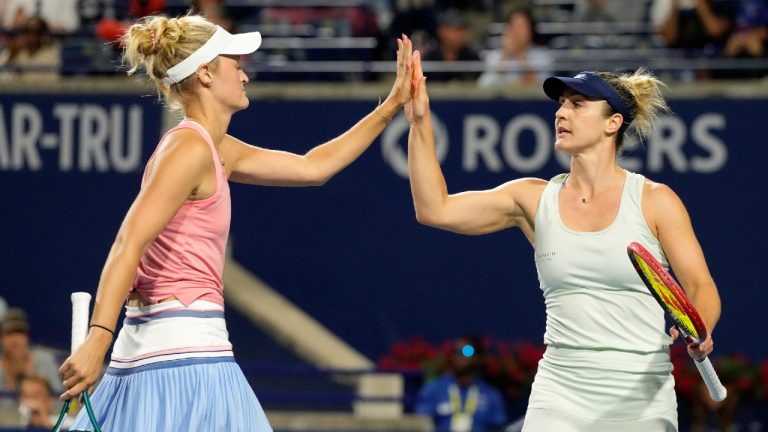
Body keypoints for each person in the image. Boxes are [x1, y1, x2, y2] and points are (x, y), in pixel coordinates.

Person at [56, 13, 414, 431]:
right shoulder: (188, 149)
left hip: (184, 353)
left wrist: (390, 106)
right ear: (206, 74)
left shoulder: (214, 148)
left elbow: (313, 167)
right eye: (236, 65)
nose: (244, 76)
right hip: (180, 362)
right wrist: (98, 337)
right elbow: (128, 242)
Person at [405, 52, 721, 431]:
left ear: (613, 123)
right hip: (558, 397)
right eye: (560, 105)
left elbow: (701, 286)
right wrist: (420, 120)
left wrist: (700, 327)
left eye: (577, 104)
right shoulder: (533, 199)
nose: (561, 113)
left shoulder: (655, 200)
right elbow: (433, 209)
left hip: (642, 400)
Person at [415, 336, 508, 432]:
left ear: (478, 358)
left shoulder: (491, 395)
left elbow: (498, 426)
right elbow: (421, 422)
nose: (459, 356)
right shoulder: (433, 389)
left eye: (467, 351)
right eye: (456, 351)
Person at [478, 8, 552, 87]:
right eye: (513, 26)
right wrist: (505, 55)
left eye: (521, 26)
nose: (516, 31)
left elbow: (542, 88)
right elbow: (484, 85)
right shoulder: (494, 56)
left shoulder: (543, 56)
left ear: (531, 30)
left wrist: (521, 55)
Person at [0, 308, 61, 394]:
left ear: (27, 337)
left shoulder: (44, 361)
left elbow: (58, 400)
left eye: (20, 332)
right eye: (9, 333)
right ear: (1, 338)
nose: (15, 339)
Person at [422, 8, 480, 82]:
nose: (460, 35)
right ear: (442, 32)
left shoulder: (472, 58)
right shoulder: (430, 59)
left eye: (463, 30)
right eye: (456, 30)